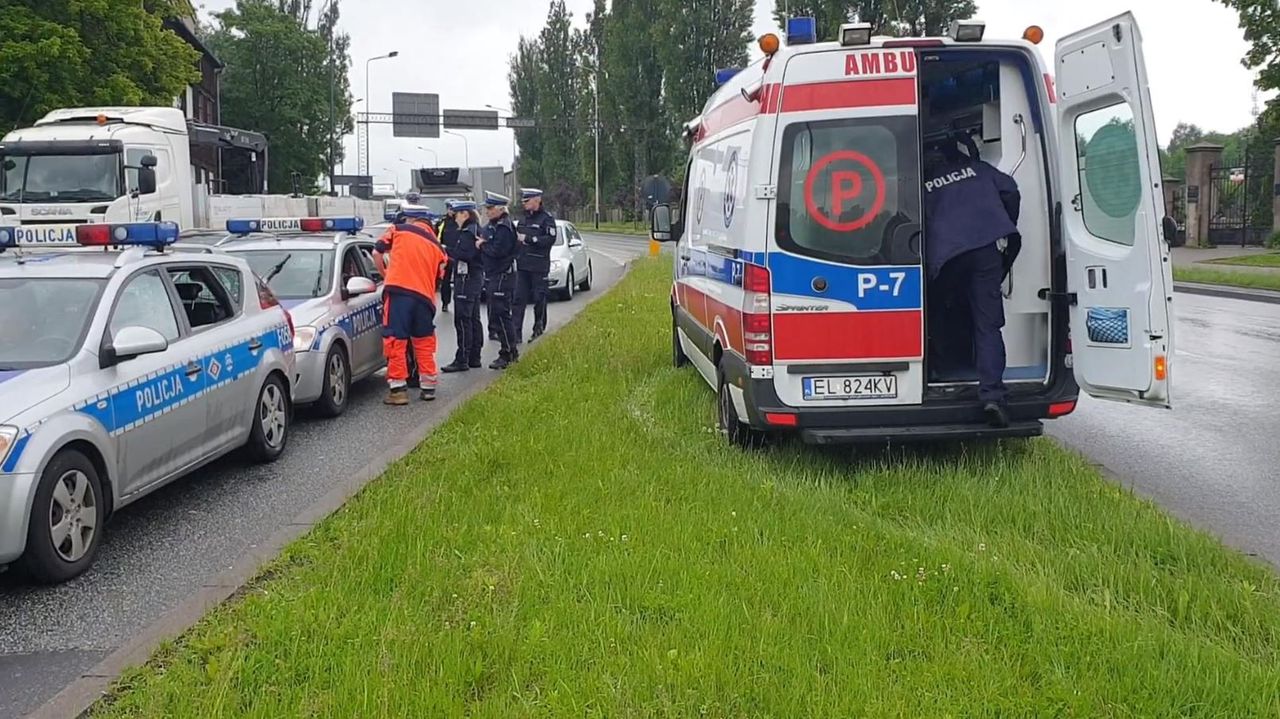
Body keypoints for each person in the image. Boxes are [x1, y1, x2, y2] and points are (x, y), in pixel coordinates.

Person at [922, 139, 1021, 428]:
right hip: (985, 251)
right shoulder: (977, 169)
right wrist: (1002, 223)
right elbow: (1011, 190)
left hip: (946, 257)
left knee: (936, 312)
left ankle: (938, 373)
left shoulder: (924, 184)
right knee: (987, 325)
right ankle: (992, 395)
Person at [373, 205, 448, 405]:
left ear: (409, 219)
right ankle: (428, 386)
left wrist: (386, 276)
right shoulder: (439, 249)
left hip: (399, 292)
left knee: (395, 340)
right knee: (423, 341)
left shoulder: (398, 230)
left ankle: (398, 390)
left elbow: (376, 253)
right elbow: (439, 277)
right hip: (425, 299)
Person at [441, 200, 485, 373]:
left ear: (465, 214)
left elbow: (466, 255)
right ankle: (474, 356)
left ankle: (463, 359)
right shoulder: (473, 230)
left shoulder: (468, 232)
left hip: (467, 280)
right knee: (473, 319)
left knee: (463, 320)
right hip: (472, 279)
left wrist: (446, 250)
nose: (455, 217)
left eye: (457, 213)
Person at [477, 191, 520, 369]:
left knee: (501, 315)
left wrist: (483, 245)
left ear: (501, 209)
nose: (487, 211)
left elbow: (498, 251)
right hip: (495, 275)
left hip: (503, 276)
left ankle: (509, 352)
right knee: (497, 315)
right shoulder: (494, 226)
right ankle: (507, 351)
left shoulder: (504, 227)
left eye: (490, 208)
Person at [512, 188, 557, 343]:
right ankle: (515, 333)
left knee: (539, 298)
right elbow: (517, 240)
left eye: (527, 201)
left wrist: (531, 239)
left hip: (539, 265)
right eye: (524, 201)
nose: (524, 204)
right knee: (518, 299)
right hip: (523, 265)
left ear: (537, 200)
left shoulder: (547, 219)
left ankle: (538, 327)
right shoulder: (523, 219)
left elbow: (549, 240)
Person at [437, 200, 459, 313]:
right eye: (450, 209)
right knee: (445, 281)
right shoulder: (442, 222)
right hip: (445, 256)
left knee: (459, 280)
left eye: (453, 209)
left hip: (459, 255)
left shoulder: (460, 221)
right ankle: (445, 302)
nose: (452, 211)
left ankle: (459, 302)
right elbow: (437, 238)